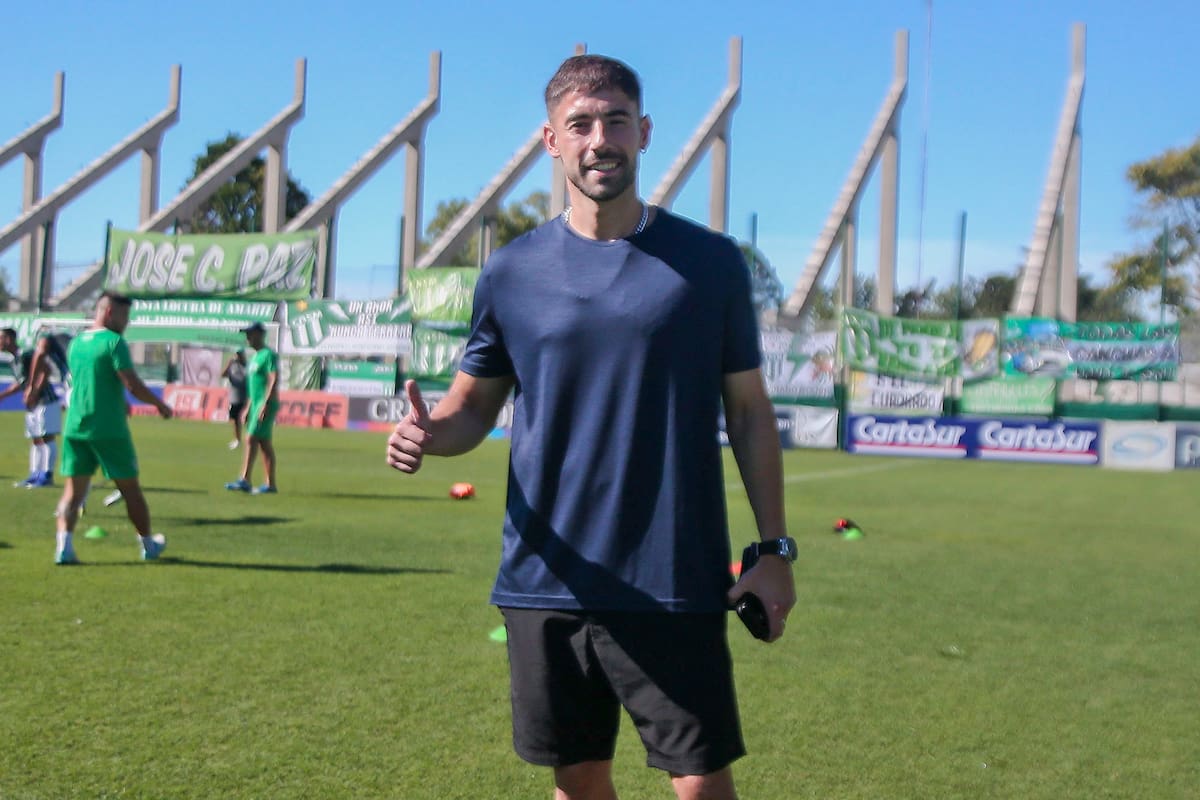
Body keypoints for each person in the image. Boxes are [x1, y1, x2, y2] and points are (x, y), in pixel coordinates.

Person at [386, 55, 796, 800]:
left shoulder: (710, 265)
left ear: (642, 133)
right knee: (578, 785)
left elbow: (748, 411)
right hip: (547, 580)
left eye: (614, 121)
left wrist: (774, 550)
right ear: (551, 140)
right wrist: (428, 433)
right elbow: (473, 406)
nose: (598, 138)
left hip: (673, 576)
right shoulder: (511, 271)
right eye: (580, 124)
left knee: (702, 786)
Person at [52, 291, 173, 565]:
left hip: (75, 424)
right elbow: (131, 383)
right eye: (124, 315)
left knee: (73, 491)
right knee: (130, 488)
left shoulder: (77, 343)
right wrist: (159, 404)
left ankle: (64, 547)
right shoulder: (114, 342)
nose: (126, 322)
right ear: (109, 313)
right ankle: (147, 545)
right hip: (107, 428)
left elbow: (94, 381)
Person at [1, 327, 66, 488]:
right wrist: (3, 395)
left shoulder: (27, 354)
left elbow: (45, 370)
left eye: (1, 338)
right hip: (33, 403)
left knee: (46, 437)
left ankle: (47, 475)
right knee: (35, 438)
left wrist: (34, 392)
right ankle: (35, 474)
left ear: (9, 339)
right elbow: (22, 382)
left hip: (45, 400)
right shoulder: (14, 359)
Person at [225, 322, 279, 494]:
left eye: (250, 334)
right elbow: (253, 386)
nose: (247, 338)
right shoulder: (254, 357)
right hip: (255, 403)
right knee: (264, 443)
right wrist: (248, 406)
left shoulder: (268, 355)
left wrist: (265, 403)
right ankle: (270, 484)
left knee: (250, 438)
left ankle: (245, 479)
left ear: (259, 334)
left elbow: (273, 379)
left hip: (265, 403)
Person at [222, 349, 249, 449]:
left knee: (248, 419)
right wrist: (228, 364)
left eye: (239, 354)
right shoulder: (232, 365)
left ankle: (251, 438)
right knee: (234, 419)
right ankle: (237, 440)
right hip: (234, 396)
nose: (237, 356)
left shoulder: (248, 365)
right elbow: (223, 375)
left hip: (246, 396)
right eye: (236, 354)